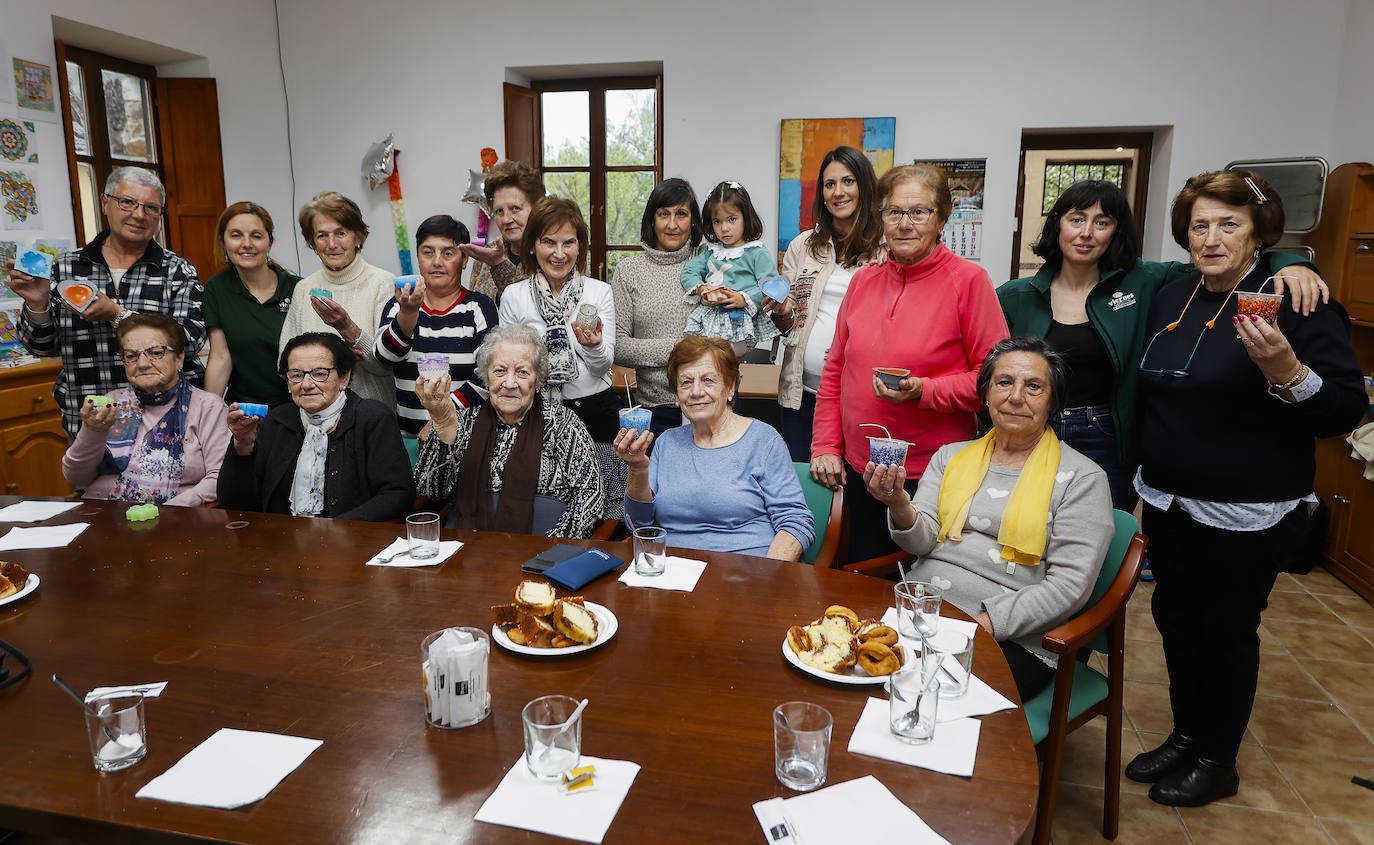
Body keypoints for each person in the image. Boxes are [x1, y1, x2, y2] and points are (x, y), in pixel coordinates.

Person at [1124, 171, 1365, 808]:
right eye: (1200, 225)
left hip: (1247, 510)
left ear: (1257, 231)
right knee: (1175, 619)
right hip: (1170, 499)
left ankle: (1216, 758)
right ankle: (1184, 735)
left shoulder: (1295, 301)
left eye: (1228, 224)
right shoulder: (1173, 294)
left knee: (1225, 630)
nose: (1212, 237)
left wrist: (1287, 370)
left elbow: (1342, 412)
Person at [997, 180, 1327, 512]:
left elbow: (1223, 262)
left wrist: (1289, 261)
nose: (1087, 233)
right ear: (1057, 224)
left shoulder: (1144, 281)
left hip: (1108, 435)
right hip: (1032, 425)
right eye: (1077, 219)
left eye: (1102, 222)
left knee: (1098, 534)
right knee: (1022, 519)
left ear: (1116, 231)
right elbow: (993, 370)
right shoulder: (1015, 296)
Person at [865, 337, 1113, 700]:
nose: (1016, 397)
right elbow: (923, 542)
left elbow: (1069, 586)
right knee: (857, 666)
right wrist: (899, 504)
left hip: (1010, 638)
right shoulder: (950, 456)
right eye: (1004, 382)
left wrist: (980, 626)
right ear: (986, 393)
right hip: (920, 612)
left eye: (1033, 386)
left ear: (1053, 400)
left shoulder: (1082, 479)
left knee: (919, 693)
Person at [811, 163, 1009, 564]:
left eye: (919, 212)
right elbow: (836, 372)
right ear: (880, 218)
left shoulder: (970, 281)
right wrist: (826, 444)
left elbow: (997, 382)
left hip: (933, 473)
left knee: (922, 583)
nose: (905, 223)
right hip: (861, 467)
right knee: (863, 577)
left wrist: (926, 391)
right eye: (894, 212)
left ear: (942, 219)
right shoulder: (864, 281)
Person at [7, 166, 205, 439]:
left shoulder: (176, 270)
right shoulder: (66, 268)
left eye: (151, 207)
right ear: (104, 202)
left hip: (166, 420)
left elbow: (191, 340)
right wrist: (38, 305)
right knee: (91, 483)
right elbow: (41, 347)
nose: (139, 214)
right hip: (91, 418)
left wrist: (118, 314)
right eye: (127, 202)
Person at [615, 336, 814, 560]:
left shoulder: (763, 440)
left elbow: (795, 521)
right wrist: (638, 469)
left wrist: (767, 576)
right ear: (676, 394)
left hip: (746, 576)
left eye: (708, 380)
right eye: (686, 382)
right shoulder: (666, 443)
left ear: (730, 388)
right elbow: (639, 525)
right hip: (674, 576)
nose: (696, 392)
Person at [413, 324, 604, 538]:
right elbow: (432, 491)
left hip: (541, 554)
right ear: (487, 378)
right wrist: (441, 424)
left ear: (538, 381)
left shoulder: (563, 424)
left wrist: (550, 547)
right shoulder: (462, 421)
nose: (510, 383)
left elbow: (590, 497)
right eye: (500, 371)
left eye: (522, 372)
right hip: (467, 553)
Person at [218, 332, 414, 521]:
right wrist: (242, 445)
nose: (306, 384)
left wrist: (336, 530)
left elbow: (397, 494)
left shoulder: (373, 418)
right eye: (296, 375)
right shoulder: (276, 421)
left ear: (344, 377)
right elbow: (235, 504)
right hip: (280, 542)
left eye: (319, 373)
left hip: (352, 542)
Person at [770, 146, 887, 462]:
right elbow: (788, 320)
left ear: (864, 186)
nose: (838, 192)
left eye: (848, 181)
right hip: (802, 394)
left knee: (857, 493)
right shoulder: (803, 245)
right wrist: (782, 312)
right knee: (809, 492)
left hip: (863, 398)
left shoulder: (887, 248)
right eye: (829, 184)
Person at [61, 313, 229, 506]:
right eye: (131, 356)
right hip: (104, 514)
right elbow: (76, 477)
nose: (142, 363)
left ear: (179, 359)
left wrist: (169, 511)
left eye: (156, 352)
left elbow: (220, 477)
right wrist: (93, 431)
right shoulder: (111, 403)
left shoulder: (208, 408)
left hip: (175, 521)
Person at [497, 198, 618, 443]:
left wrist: (592, 346)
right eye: (549, 242)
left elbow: (601, 368)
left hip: (595, 413)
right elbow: (506, 366)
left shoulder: (600, 292)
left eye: (568, 243)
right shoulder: (514, 296)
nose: (559, 254)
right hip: (532, 410)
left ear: (579, 247)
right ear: (532, 246)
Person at [374, 215, 498, 437]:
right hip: (409, 440)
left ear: (464, 259)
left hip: (467, 438)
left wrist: (442, 413)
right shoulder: (398, 305)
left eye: (448, 253)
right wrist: (408, 313)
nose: (437, 261)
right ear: (419, 257)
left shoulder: (479, 307)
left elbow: (489, 373)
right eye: (428, 252)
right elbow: (384, 357)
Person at [278, 192, 395, 410]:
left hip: (371, 415)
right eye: (322, 235)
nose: (332, 244)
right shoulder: (304, 289)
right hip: (314, 418)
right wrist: (330, 360)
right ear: (312, 241)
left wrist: (350, 333)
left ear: (358, 237)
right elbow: (285, 363)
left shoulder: (383, 283)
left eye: (341, 233)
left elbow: (386, 366)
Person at [611, 177, 705, 437]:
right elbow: (618, 345)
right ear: (652, 220)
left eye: (681, 214)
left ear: (694, 220)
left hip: (711, 405)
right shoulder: (628, 271)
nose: (672, 224)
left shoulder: (709, 262)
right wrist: (679, 348)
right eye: (664, 214)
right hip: (654, 412)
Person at [203, 201, 302, 408]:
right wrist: (207, 413)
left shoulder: (298, 288)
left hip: (296, 406)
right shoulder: (216, 288)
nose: (246, 243)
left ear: (269, 242)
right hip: (245, 409)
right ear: (223, 242)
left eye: (256, 236)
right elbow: (220, 357)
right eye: (236, 235)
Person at [679, 181, 781, 357]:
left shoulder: (756, 252)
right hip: (710, 320)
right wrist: (702, 288)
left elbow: (771, 286)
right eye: (717, 221)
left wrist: (744, 298)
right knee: (705, 360)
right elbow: (689, 272)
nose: (724, 228)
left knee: (726, 360)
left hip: (738, 319)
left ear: (746, 217)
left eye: (731, 219)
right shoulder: (711, 251)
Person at [464, 160, 546, 304]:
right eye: (499, 211)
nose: (506, 219)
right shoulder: (487, 254)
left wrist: (499, 264)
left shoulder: (555, 254)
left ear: (537, 208)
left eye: (515, 208)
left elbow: (537, 305)